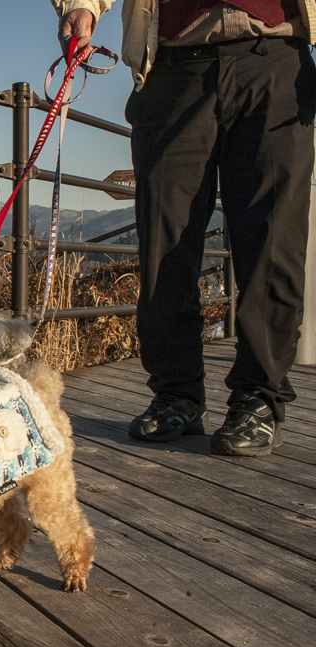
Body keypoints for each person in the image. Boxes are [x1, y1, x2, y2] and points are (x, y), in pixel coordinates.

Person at [50, 0, 316, 456]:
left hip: (277, 58)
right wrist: (80, 4)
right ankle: (177, 395)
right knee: (164, 242)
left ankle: (259, 398)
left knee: (273, 241)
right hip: (173, 65)